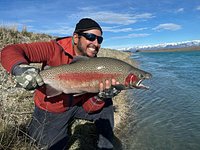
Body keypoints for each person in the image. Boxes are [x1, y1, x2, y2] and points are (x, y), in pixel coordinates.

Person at [1, 18, 121, 150]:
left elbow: (89, 108)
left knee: (107, 102)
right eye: (91, 37)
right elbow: (10, 51)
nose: (96, 43)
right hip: (51, 109)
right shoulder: (54, 48)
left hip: (77, 104)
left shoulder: (95, 64)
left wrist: (100, 97)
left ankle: (106, 146)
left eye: (100, 40)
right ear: (76, 38)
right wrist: (19, 68)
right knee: (49, 145)